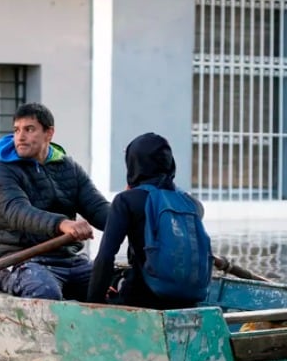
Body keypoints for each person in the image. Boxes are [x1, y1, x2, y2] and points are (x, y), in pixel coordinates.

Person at [0, 102, 111, 300]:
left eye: (29, 129)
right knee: (45, 293)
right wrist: (62, 224)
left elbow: (97, 208)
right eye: (17, 130)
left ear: (49, 133)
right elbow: (18, 212)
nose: (20, 137)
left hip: (69, 261)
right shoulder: (2, 172)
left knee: (116, 287)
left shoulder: (68, 167)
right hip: (21, 262)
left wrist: (130, 217)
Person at [87, 132, 210, 309]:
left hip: (143, 298)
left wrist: (91, 305)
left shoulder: (126, 201)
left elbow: (105, 258)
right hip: (189, 300)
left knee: (114, 283)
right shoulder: (192, 204)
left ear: (134, 163)